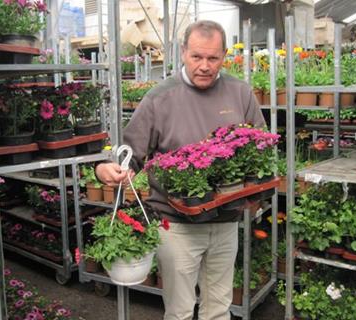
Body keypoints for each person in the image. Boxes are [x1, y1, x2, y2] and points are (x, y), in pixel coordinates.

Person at [95, 20, 265, 320]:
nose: (204, 66)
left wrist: (256, 192)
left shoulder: (240, 92)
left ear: (225, 56)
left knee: (219, 309)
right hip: (177, 225)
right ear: (183, 52)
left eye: (213, 58)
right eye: (196, 56)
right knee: (180, 311)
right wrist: (107, 168)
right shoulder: (160, 97)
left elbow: (260, 147)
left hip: (226, 219)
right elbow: (128, 153)